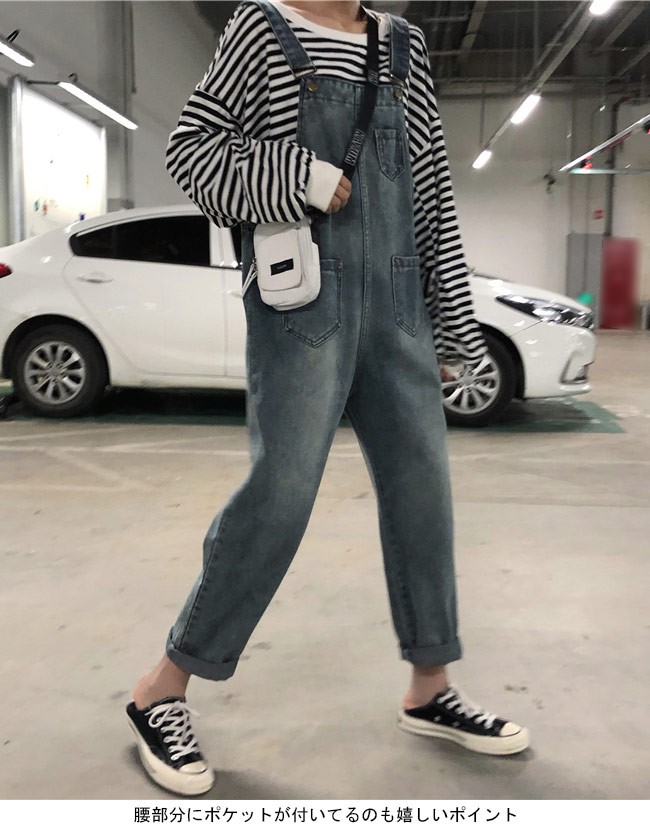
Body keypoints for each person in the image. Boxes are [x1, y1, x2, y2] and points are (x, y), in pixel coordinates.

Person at [126, 0, 530, 796]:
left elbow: (430, 194)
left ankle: (430, 687)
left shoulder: (404, 45)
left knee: (423, 494)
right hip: (304, 301)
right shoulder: (262, 29)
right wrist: (299, 178)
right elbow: (192, 152)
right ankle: (160, 689)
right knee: (280, 496)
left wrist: (454, 322)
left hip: (401, 304)